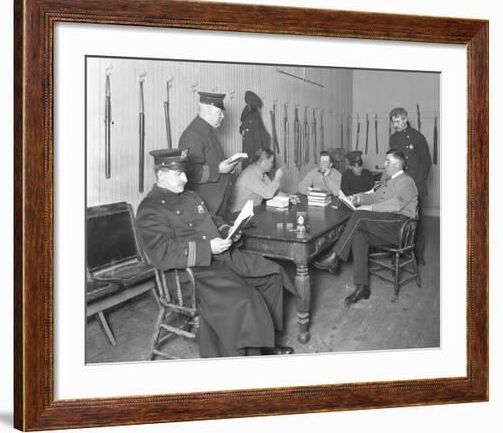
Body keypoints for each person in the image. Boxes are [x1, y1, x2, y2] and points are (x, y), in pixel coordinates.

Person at [136, 148, 295, 358]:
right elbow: (162, 254)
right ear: (161, 175)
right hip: (192, 274)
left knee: (272, 273)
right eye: (178, 174)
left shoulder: (191, 197)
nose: (185, 179)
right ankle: (250, 354)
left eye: (185, 173)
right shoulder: (150, 209)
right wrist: (207, 248)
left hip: (221, 258)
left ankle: (267, 340)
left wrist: (228, 230)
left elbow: (214, 220)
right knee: (245, 298)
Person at [313, 149, 418, 306]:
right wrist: (358, 198)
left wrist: (369, 209)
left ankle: (334, 256)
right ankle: (362, 287)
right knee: (358, 236)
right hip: (389, 224)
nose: (384, 164)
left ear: (397, 165)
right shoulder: (390, 181)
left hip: (400, 227)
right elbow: (374, 197)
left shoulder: (406, 181)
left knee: (360, 215)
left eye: (387, 161)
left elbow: (396, 204)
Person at [178, 91, 238, 219]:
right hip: (205, 207)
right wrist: (219, 169)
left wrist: (227, 168)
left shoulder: (207, 132)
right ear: (208, 110)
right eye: (219, 112)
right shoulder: (193, 135)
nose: (223, 116)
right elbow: (189, 171)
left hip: (215, 205)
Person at [389, 107, 432, 266]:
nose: (395, 125)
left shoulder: (417, 137)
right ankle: (399, 252)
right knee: (397, 220)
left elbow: (426, 162)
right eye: (393, 122)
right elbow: (394, 162)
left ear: (405, 119)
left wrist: (415, 183)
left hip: (415, 185)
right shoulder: (393, 138)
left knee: (416, 222)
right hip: (399, 187)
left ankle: (418, 255)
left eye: (398, 121)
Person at [228, 147, 283, 213]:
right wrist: (277, 178)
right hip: (237, 214)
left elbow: (272, 190)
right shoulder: (249, 174)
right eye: (271, 162)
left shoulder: (261, 173)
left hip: (252, 211)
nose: (272, 165)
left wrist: (290, 196)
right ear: (264, 161)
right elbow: (268, 194)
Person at [239, 90, 271, 169]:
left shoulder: (248, 117)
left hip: (252, 159)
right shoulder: (253, 118)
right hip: (253, 160)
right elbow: (256, 141)